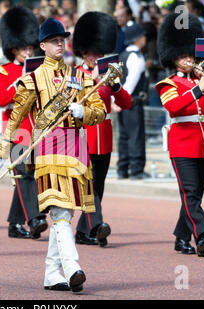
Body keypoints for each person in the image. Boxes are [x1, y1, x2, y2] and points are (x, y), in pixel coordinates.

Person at [0, 18, 106, 293]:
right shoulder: (32, 79)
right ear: (42, 46)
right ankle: (72, 268)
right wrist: (4, 149)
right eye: (55, 41)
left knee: (67, 212)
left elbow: (101, 111)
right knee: (58, 210)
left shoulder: (81, 78)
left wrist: (86, 113)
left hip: (76, 148)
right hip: (48, 150)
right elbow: (16, 117)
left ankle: (50, 273)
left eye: (63, 40)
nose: (60, 45)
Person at [155, 13, 204, 257]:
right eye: (183, 56)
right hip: (182, 145)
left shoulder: (202, 78)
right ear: (174, 59)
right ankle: (203, 235)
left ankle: (181, 238)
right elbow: (174, 107)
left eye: (190, 55)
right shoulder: (167, 84)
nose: (188, 59)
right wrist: (199, 89)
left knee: (194, 195)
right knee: (190, 194)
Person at [72, 11, 131, 246]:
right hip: (84, 135)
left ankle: (83, 231)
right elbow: (76, 103)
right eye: (92, 52)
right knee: (89, 185)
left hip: (104, 136)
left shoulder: (108, 76)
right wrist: (96, 81)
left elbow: (126, 104)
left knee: (99, 185)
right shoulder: (74, 74)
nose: (96, 56)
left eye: (100, 52)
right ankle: (96, 226)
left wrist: (115, 85)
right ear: (83, 52)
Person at [0, 6, 47, 240]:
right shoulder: (2, 72)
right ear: (14, 49)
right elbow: (2, 100)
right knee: (24, 174)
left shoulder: (39, 69)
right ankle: (35, 218)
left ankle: (15, 224)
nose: (29, 51)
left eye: (31, 47)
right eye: (24, 48)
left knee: (31, 173)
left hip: (36, 128)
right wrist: (21, 82)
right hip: (17, 130)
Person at [117, 22, 149, 180]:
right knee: (136, 136)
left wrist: (115, 100)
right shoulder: (137, 57)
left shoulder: (122, 55)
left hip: (121, 102)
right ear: (137, 39)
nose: (145, 38)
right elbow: (131, 83)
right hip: (131, 101)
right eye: (142, 36)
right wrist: (121, 99)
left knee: (124, 136)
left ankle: (122, 168)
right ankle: (136, 169)